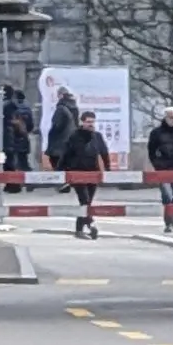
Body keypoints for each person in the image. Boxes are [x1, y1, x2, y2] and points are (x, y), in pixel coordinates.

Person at [51, 91, 114, 238]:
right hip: (77, 173)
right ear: (82, 122)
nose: (90, 124)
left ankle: (79, 229)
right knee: (84, 200)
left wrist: (108, 169)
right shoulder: (74, 136)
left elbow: (104, 153)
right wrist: (60, 173)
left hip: (93, 173)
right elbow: (65, 154)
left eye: (92, 122)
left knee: (87, 203)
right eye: (88, 122)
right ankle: (91, 224)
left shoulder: (97, 137)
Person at [145, 105, 173, 233]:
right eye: (171, 117)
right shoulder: (156, 133)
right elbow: (151, 150)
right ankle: (168, 222)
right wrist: (156, 164)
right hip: (162, 168)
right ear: (165, 118)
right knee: (167, 195)